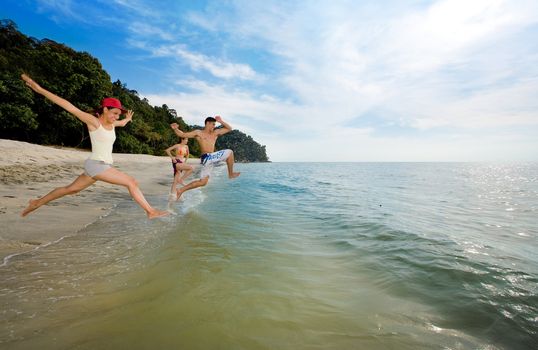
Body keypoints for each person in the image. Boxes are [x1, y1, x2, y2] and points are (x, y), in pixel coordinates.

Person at [20, 74, 169, 219]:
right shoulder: (94, 122)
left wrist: (127, 119)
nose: (117, 117)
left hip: (97, 166)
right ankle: (150, 211)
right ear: (105, 109)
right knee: (132, 182)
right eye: (115, 113)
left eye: (118, 114)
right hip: (98, 166)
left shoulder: (112, 124)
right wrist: (39, 89)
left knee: (71, 189)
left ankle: (36, 203)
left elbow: (122, 123)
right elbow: (70, 107)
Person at [170, 116, 240, 200]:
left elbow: (229, 128)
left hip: (211, 159)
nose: (214, 126)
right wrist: (175, 129)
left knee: (203, 182)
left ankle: (181, 190)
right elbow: (182, 134)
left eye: (215, 125)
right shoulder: (198, 133)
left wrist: (221, 121)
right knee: (230, 152)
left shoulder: (215, 133)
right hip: (206, 157)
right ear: (207, 123)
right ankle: (230, 174)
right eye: (213, 124)